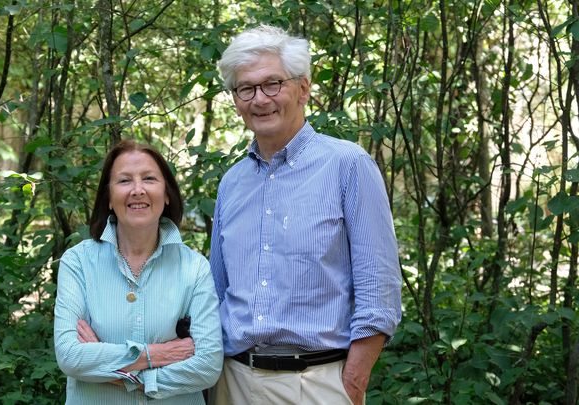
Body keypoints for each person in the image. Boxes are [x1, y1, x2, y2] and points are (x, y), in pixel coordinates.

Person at [209, 25, 402, 405]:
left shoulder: (348, 166)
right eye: (245, 88)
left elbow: (379, 288)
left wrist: (352, 383)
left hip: (317, 384)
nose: (259, 99)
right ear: (235, 99)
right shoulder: (232, 182)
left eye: (272, 84)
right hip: (232, 383)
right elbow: (216, 290)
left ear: (304, 88)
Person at [54, 140, 223, 404]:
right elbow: (70, 356)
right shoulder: (78, 263)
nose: (137, 190)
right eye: (124, 181)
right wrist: (157, 355)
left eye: (149, 179)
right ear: (108, 198)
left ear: (166, 194)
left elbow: (208, 366)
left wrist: (129, 377)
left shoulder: (194, 267)